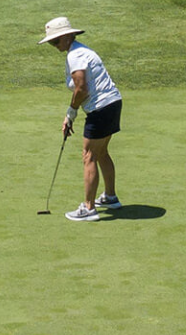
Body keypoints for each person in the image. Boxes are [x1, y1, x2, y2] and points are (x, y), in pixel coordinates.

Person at [38, 16, 123, 222]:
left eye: (56, 41)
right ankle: (110, 197)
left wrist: (71, 113)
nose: (54, 45)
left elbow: (81, 89)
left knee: (89, 155)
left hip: (101, 108)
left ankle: (89, 208)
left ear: (68, 37)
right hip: (112, 104)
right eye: (52, 42)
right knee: (101, 152)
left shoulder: (75, 55)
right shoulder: (80, 50)